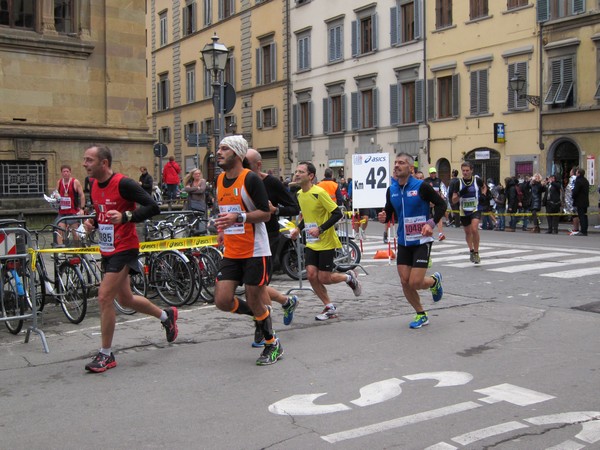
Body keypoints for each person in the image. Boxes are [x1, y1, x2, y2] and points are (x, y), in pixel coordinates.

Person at [81, 145, 176, 373]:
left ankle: (106, 354)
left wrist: (126, 216)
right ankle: (167, 316)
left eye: (89, 160)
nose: (85, 164)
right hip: (108, 249)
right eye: (85, 160)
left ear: (104, 163)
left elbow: (154, 206)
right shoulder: (93, 185)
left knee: (104, 297)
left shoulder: (124, 183)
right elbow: (103, 210)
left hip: (125, 247)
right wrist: (93, 221)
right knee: (125, 299)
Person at [212, 135, 283, 365]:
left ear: (237, 154)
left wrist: (238, 217)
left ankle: (272, 344)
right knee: (222, 300)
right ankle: (260, 315)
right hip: (232, 250)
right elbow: (226, 211)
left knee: (254, 297)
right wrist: (222, 229)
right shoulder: (220, 180)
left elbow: (265, 213)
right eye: (219, 148)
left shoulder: (250, 179)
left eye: (224, 148)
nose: (219, 152)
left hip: (255, 250)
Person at [378, 153, 446, 329]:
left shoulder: (421, 186)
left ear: (410, 168)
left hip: (421, 240)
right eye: (396, 162)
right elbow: (388, 213)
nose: (397, 165)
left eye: (401, 163)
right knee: (404, 281)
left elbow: (441, 205)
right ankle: (421, 314)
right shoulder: (391, 190)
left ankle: (433, 281)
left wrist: (431, 223)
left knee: (415, 282)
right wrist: (383, 217)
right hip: (403, 241)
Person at [290, 161, 361, 321]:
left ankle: (349, 277)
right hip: (311, 241)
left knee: (324, 278)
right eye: (296, 171)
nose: (297, 174)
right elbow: (307, 216)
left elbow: (337, 213)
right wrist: (298, 228)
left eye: (301, 171)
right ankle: (329, 307)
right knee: (310, 274)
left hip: (326, 241)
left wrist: (320, 229)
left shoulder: (319, 192)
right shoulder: (300, 194)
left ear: (311, 176)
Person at [246, 148, 300, 341]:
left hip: (268, 236)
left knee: (258, 285)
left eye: (247, 164)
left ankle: (266, 330)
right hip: (245, 238)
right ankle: (286, 301)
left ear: (258, 165)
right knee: (251, 285)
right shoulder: (239, 181)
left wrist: (275, 210)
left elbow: (294, 207)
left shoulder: (272, 183)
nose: (243, 168)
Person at [451, 161, 487, 264]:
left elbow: (484, 187)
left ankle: (476, 252)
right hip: (464, 210)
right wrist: (459, 194)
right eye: (463, 171)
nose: (465, 173)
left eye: (467, 170)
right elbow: (453, 200)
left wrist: (483, 195)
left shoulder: (477, 180)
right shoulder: (458, 183)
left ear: (471, 170)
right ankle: (471, 250)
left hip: (475, 208)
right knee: (468, 232)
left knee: (474, 229)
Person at [55, 164, 85, 245]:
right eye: (64, 171)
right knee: (60, 231)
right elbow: (56, 193)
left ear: (70, 172)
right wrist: (55, 197)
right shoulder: (59, 182)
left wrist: (82, 208)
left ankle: (77, 251)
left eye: (67, 171)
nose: (65, 173)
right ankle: (61, 250)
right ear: (61, 173)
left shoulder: (75, 182)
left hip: (73, 212)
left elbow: (82, 195)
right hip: (62, 213)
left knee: (75, 233)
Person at [423, 167, 447, 241]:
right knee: (428, 218)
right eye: (432, 173)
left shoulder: (439, 181)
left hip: (436, 202)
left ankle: (440, 234)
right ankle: (428, 233)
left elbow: (443, 189)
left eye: (434, 173)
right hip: (428, 202)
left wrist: (442, 196)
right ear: (429, 173)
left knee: (438, 217)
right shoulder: (426, 181)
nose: (433, 174)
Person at [572, 168, 590, 236]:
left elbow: (575, 191)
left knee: (581, 216)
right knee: (585, 216)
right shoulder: (586, 180)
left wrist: (573, 196)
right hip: (585, 201)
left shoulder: (578, 181)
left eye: (576, 172)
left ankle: (583, 231)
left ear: (579, 173)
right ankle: (585, 230)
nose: (576, 173)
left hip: (580, 201)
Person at [564, 167, 579, 235]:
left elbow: (571, 189)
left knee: (574, 215)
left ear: (573, 172)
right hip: (572, 200)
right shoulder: (575, 178)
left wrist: (569, 200)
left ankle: (575, 229)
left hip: (571, 201)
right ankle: (575, 229)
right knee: (574, 215)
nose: (570, 172)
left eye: (570, 171)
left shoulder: (573, 178)